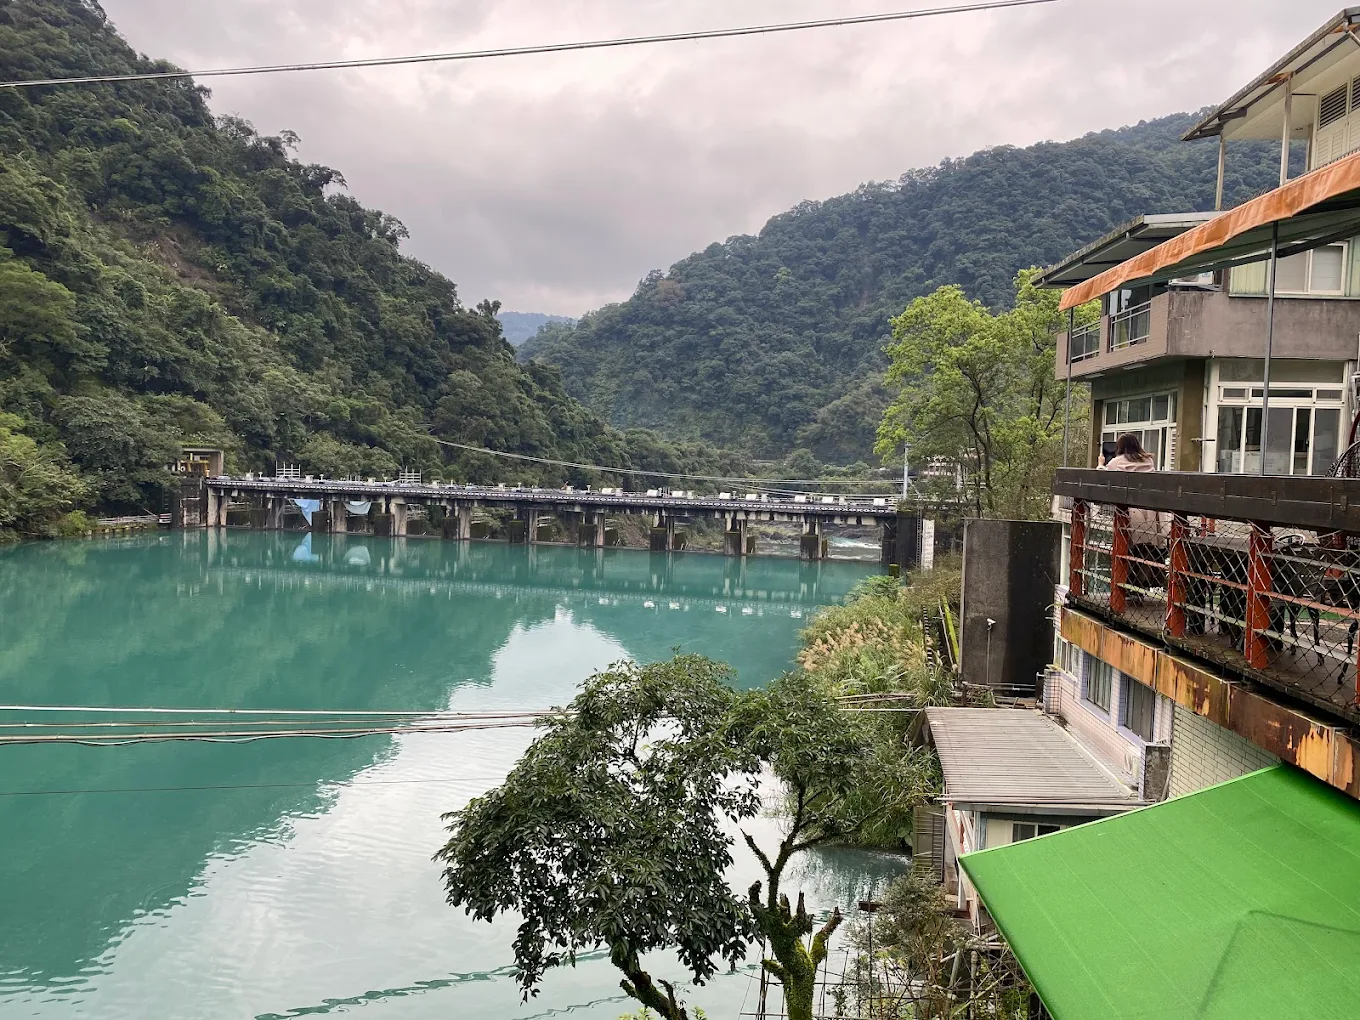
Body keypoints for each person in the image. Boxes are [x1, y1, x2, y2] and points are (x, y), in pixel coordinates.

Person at [1099, 433, 1167, 595]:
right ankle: (1141, 584)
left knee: (1127, 551)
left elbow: (1102, 478)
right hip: (1150, 514)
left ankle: (1127, 588)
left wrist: (1101, 464)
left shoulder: (1116, 462)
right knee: (1144, 552)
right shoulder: (1148, 461)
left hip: (1128, 515)